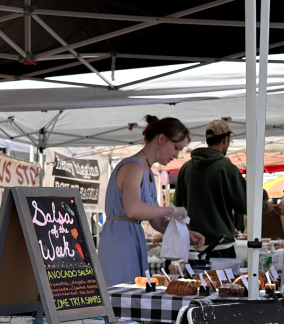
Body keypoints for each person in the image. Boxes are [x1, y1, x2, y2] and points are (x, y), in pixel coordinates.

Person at [98, 117, 193, 288]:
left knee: (134, 293)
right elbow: (133, 209)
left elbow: (156, 221)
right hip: (118, 240)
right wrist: (171, 210)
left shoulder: (148, 172)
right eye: (176, 147)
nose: (176, 155)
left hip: (133, 238)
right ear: (161, 139)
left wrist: (185, 235)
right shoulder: (133, 168)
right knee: (121, 296)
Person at [171, 117, 247, 262]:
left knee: (192, 284)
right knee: (224, 284)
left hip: (192, 245)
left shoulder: (186, 168)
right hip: (221, 246)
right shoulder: (227, 168)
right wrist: (264, 205)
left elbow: (178, 208)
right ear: (225, 139)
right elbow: (244, 204)